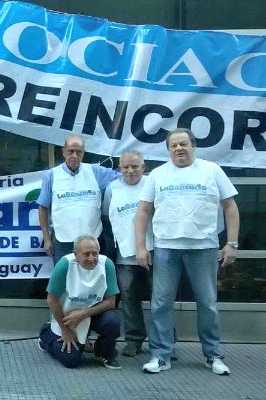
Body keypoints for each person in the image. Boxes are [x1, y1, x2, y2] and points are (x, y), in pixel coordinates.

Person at [135, 128, 239, 375]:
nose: (179, 149)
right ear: (168, 149)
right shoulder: (158, 175)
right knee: (160, 304)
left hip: (203, 248)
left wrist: (231, 243)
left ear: (193, 146)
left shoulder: (211, 170)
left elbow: (230, 206)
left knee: (208, 304)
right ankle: (161, 356)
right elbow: (142, 212)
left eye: (183, 144)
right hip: (166, 248)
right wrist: (141, 246)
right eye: (174, 145)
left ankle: (213, 356)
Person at [37, 235, 121, 370]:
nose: (92, 258)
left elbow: (111, 302)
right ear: (75, 254)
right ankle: (46, 333)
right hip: (68, 317)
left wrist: (83, 314)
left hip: (93, 312)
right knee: (71, 361)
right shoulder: (65, 264)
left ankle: (103, 351)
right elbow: (51, 300)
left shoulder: (107, 264)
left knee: (112, 322)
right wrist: (66, 331)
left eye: (95, 253)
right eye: (86, 254)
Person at [37, 135, 120, 266]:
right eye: (70, 151)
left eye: (79, 152)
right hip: (63, 240)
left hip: (93, 240)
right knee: (64, 280)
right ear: (63, 152)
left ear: (83, 153)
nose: (74, 156)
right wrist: (46, 238)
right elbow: (42, 207)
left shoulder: (95, 172)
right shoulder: (51, 175)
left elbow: (125, 177)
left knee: (94, 279)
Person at [102, 150, 154, 357]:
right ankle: (134, 340)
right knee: (129, 300)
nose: (130, 171)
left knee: (160, 299)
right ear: (119, 168)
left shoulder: (152, 183)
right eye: (125, 167)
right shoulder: (112, 189)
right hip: (124, 255)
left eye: (135, 166)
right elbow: (107, 215)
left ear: (143, 167)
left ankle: (165, 342)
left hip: (154, 251)